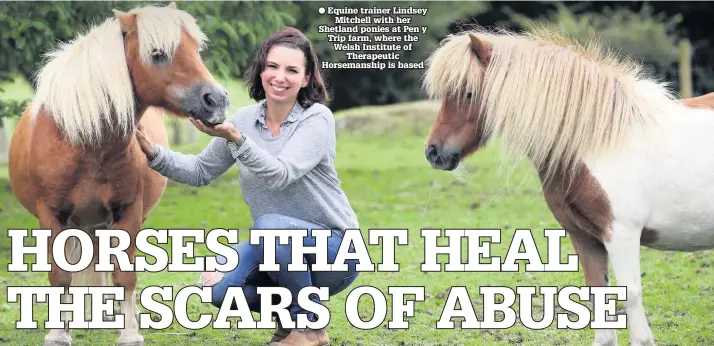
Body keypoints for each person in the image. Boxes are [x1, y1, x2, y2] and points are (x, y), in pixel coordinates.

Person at [135, 27, 359, 346]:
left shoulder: (317, 119)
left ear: (307, 78)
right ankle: (288, 321)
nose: (280, 77)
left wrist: (236, 140)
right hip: (274, 243)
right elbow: (200, 171)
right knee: (218, 287)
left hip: (335, 252)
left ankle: (308, 327)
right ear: (261, 69)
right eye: (273, 67)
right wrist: (154, 153)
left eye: (292, 70)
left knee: (270, 228)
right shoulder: (243, 119)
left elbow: (281, 173)